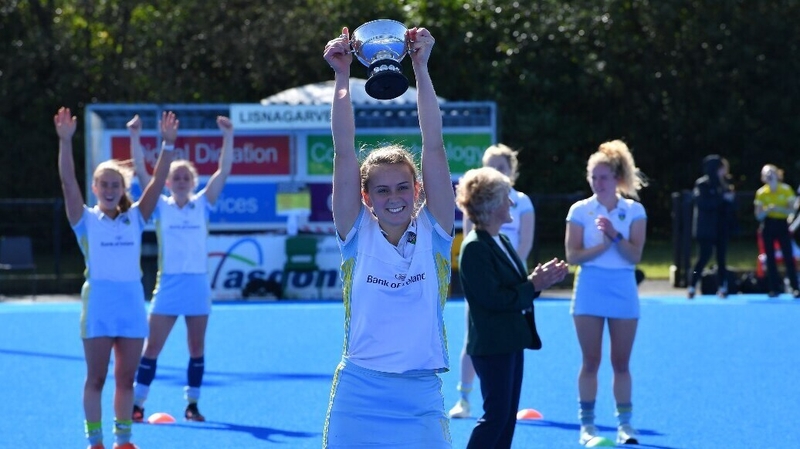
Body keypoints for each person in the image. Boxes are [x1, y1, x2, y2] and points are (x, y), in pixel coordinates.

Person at [321, 26, 455, 448]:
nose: (393, 197)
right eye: (381, 190)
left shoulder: (435, 229)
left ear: (418, 190)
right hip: (359, 391)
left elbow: (433, 146)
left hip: (420, 392)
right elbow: (344, 150)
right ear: (366, 197)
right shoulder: (356, 232)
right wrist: (342, 76)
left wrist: (421, 67)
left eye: (402, 187)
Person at [56, 107, 176, 449]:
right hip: (99, 307)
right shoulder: (84, 220)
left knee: (125, 379)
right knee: (96, 378)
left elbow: (157, 183)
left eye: (115, 185)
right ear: (95, 187)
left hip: (131, 306)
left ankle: (123, 441)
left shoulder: (135, 217)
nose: (109, 189)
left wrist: (168, 145)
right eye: (104, 184)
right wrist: (65, 141)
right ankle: (95, 441)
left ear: (123, 188)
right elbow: (68, 182)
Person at [128, 114, 234, 422]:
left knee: (196, 348)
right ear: (168, 182)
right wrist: (135, 136)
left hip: (197, 285)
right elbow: (140, 172)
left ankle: (192, 405)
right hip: (169, 285)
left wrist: (228, 136)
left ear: (193, 181)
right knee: (152, 348)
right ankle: (137, 403)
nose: (181, 181)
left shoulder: (203, 203)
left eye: (186, 177)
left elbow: (224, 171)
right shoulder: (160, 206)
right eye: (176, 178)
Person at [456, 167, 567, 448]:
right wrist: (533, 284)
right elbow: (494, 299)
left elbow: (513, 288)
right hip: (493, 344)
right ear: (491, 205)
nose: (511, 203)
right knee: (496, 417)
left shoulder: (501, 240)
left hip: (510, 341)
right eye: (506, 197)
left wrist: (538, 281)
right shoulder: (475, 247)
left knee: (505, 418)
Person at [564, 140, 647, 446]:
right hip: (589, 288)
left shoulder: (634, 210)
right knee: (591, 361)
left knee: (621, 363)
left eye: (604, 177)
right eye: (593, 177)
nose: (598, 183)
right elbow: (573, 256)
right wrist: (601, 246)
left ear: (617, 179)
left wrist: (614, 235)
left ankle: (625, 425)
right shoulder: (580, 210)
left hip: (623, 289)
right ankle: (587, 425)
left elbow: (634, 255)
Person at [449, 144, 535, 419]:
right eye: (491, 166)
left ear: (512, 171)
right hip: (485, 278)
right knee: (474, 336)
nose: (496, 171)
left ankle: (503, 396)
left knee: (509, 338)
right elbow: (471, 237)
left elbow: (524, 245)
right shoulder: (476, 206)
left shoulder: (522, 202)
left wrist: (514, 278)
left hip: (512, 278)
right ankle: (464, 397)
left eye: (501, 167)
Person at [686, 155, 736, 299]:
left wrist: (730, 200)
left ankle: (722, 287)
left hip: (721, 227)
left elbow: (729, 206)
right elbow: (704, 204)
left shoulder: (725, 185)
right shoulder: (702, 184)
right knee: (703, 257)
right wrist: (722, 199)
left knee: (721, 259)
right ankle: (692, 284)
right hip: (706, 228)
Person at [754, 164, 800, 298]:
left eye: (771, 172)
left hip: (782, 225)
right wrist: (767, 210)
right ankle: (774, 288)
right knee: (770, 258)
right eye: (766, 173)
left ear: (777, 174)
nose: (769, 175)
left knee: (788, 257)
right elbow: (758, 216)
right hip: (768, 226)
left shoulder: (785, 190)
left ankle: (795, 288)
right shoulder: (761, 193)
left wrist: (778, 209)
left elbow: (791, 211)